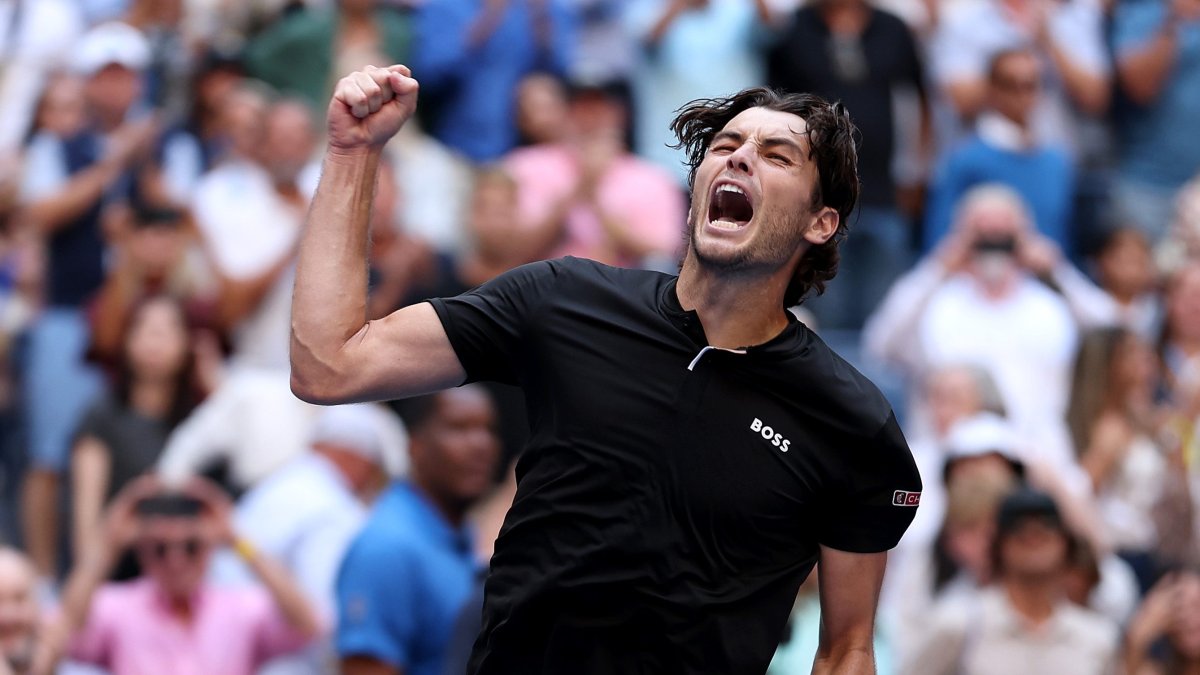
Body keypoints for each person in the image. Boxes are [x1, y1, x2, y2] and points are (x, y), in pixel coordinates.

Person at [291, 64, 922, 673]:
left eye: (776, 155)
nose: (739, 156)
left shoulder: (852, 421)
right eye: (726, 144)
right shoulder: (562, 297)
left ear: (821, 222)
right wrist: (352, 153)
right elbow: (330, 366)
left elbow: (845, 652)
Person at [34, 476, 321, 675]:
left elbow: (308, 624)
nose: (176, 560)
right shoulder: (118, 606)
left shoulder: (241, 606)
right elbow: (59, 631)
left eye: (191, 547)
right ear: (141, 551)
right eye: (160, 548)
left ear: (210, 549)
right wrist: (109, 545)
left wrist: (236, 539)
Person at [335, 387, 500, 675]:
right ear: (415, 445)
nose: (481, 444)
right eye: (459, 428)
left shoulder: (458, 529)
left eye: (488, 429)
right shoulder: (387, 548)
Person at [901, 488, 1120, 675]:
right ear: (999, 546)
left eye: (1046, 526)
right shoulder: (959, 626)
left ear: (1066, 544)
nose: (1033, 533)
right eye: (1019, 528)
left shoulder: (1099, 638)